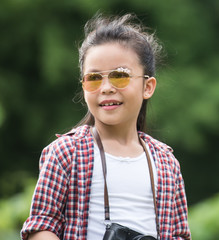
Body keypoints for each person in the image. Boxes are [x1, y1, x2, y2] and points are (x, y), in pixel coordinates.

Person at [21, 13, 191, 240]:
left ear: (147, 86)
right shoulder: (66, 153)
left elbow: (179, 234)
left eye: (120, 76)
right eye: (93, 78)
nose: (106, 87)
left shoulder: (166, 163)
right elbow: (41, 226)